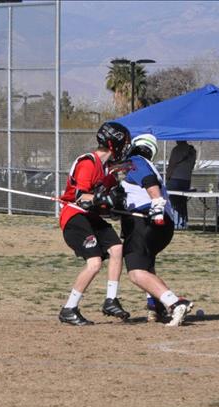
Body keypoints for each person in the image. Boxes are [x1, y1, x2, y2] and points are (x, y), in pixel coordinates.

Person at [56, 122, 131, 326]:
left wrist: (112, 205)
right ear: (113, 143)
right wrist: (104, 199)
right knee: (95, 263)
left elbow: (100, 202)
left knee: (117, 248)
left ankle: (111, 300)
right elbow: (81, 197)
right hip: (74, 216)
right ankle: (69, 309)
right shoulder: (88, 163)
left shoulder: (106, 169)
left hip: (90, 217)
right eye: (123, 143)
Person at [120, 134, 194, 326]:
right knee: (146, 268)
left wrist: (156, 202)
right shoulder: (144, 164)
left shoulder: (136, 160)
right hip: (161, 225)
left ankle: (176, 303)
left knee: (136, 272)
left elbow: (149, 180)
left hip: (145, 221)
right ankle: (156, 306)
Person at [165, 140, 196, 230]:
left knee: (173, 202)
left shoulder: (176, 149)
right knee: (182, 202)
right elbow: (192, 165)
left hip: (175, 178)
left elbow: (172, 164)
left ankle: (175, 223)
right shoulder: (192, 150)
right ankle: (183, 223)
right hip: (186, 178)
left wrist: (167, 176)